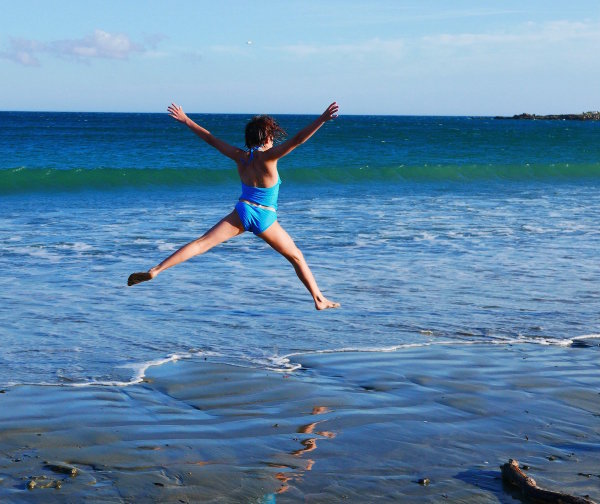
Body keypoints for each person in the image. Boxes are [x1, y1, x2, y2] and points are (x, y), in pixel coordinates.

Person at [127, 102, 340, 310]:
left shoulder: (240, 157)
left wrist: (186, 120)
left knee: (201, 243)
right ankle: (318, 298)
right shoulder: (269, 157)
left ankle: (157, 269)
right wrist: (322, 118)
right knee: (296, 257)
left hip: (243, 211)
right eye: (272, 136)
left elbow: (211, 139)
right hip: (265, 217)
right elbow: (298, 140)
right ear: (267, 138)